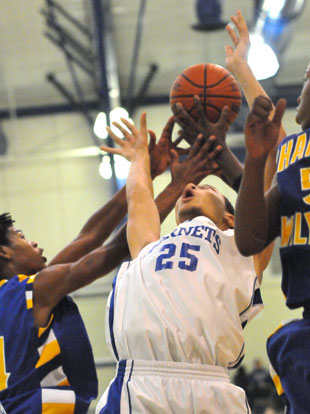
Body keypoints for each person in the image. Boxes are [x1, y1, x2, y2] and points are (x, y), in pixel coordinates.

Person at [0, 116, 217, 413]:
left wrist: (148, 173)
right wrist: (176, 183)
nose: (35, 244)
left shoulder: (21, 294)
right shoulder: (34, 292)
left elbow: (88, 238)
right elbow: (114, 250)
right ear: (4, 252)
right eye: (22, 237)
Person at [95, 101, 276, 414]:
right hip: (140, 386)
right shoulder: (150, 247)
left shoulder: (242, 246)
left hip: (213, 388)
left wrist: (228, 152)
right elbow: (139, 202)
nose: (190, 185)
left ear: (232, 218)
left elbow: (265, 197)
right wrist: (139, 157)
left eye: (206, 188)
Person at [234, 32, 310, 414]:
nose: (300, 91)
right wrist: (256, 161)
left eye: (307, 77)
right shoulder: (295, 151)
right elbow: (249, 239)